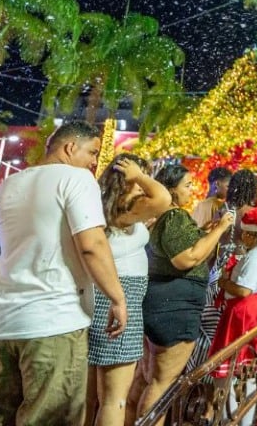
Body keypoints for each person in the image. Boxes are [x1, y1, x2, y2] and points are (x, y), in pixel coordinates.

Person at [0, 120, 128, 426]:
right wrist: (117, 299)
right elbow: (92, 245)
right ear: (70, 147)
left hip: (0, 325)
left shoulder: (12, 183)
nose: (95, 162)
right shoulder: (76, 178)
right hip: (53, 321)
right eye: (93, 152)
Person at [138, 162, 235, 426]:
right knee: (162, 382)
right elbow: (186, 258)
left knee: (148, 380)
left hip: (164, 303)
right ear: (171, 190)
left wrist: (204, 232)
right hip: (174, 309)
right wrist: (220, 229)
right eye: (188, 185)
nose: (193, 190)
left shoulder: (162, 217)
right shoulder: (173, 217)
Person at [86, 154, 173, 426]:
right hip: (121, 299)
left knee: (87, 397)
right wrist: (139, 175)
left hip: (97, 295)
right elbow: (163, 198)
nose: (144, 185)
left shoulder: (102, 205)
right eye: (139, 179)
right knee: (114, 399)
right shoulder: (126, 207)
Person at [210, 206, 257, 387]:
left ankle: (231, 400)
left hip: (244, 312)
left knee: (236, 361)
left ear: (253, 235)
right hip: (256, 307)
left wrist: (223, 283)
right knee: (248, 362)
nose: (242, 236)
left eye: (245, 233)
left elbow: (244, 290)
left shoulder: (255, 255)